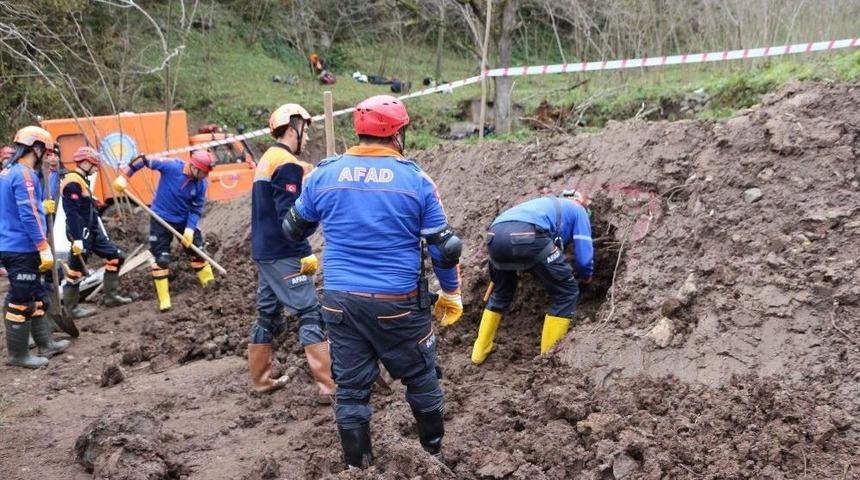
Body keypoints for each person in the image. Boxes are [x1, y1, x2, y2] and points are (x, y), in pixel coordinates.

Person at [283, 95, 463, 468]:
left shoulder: (323, 175)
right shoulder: (416, 180)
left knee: (350, 390)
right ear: (397, 134)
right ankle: (432, 459)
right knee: (422, 378)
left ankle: (356, 469)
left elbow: (292, 227)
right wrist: (451, 292)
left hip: (340, 301)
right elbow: (445, 249)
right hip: (397, 301)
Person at [247, 103, 335, 401]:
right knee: (310, 312)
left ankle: (261, 381)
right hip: (284, 252)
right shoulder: (286, 164)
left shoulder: (269, 159)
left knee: (268, 315)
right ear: (292, 128)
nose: (307, 138)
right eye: (305, 131)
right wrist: (304, 251)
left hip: (264, 252)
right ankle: (328, 386)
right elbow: (290, 219)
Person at [471, 191, 594, 365]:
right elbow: (584, 256)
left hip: (495, 236)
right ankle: (547, 360)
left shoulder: (542, 205)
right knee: (566, 292)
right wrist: (587, 276)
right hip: (528, 236)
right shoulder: (579, 210)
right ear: (582, 204)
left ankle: (478, 352)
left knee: (501, 293)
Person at [113, 150, 217, 312]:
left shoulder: (201, 184)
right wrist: (124, 177)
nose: (205, 176)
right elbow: (142, 159)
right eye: (204, 172)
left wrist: (189, 229)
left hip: (184, 220)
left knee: (198, 253)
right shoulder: (171, 166)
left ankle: (211, 287)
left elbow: (196, 209)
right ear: (194, 167)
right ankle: (164, 299)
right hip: (161, 219)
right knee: (162, 259)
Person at [1, 126, 70, 368]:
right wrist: (43, 246)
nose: (46, 156)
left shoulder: (8, 172)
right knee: (20, 299)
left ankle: (46, 344)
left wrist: (43, 206)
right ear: (37, 148)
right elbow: (28, 215)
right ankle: (18, 355)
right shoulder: (24, 175)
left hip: (14, 244)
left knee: (38, 295)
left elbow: (24, 209)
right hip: (22, 247)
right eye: (45, 151)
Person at [61, 146, 132, 317]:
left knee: (116, 257)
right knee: (75, 271)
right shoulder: (72, 182)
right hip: (80, 233)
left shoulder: (81, 180)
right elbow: (72, 213)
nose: (95, 169)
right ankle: (71, 309)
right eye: (94, 165)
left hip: (92, 231)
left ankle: (111, 296)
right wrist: (77, 239)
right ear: (85, 163)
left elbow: (82, 206)